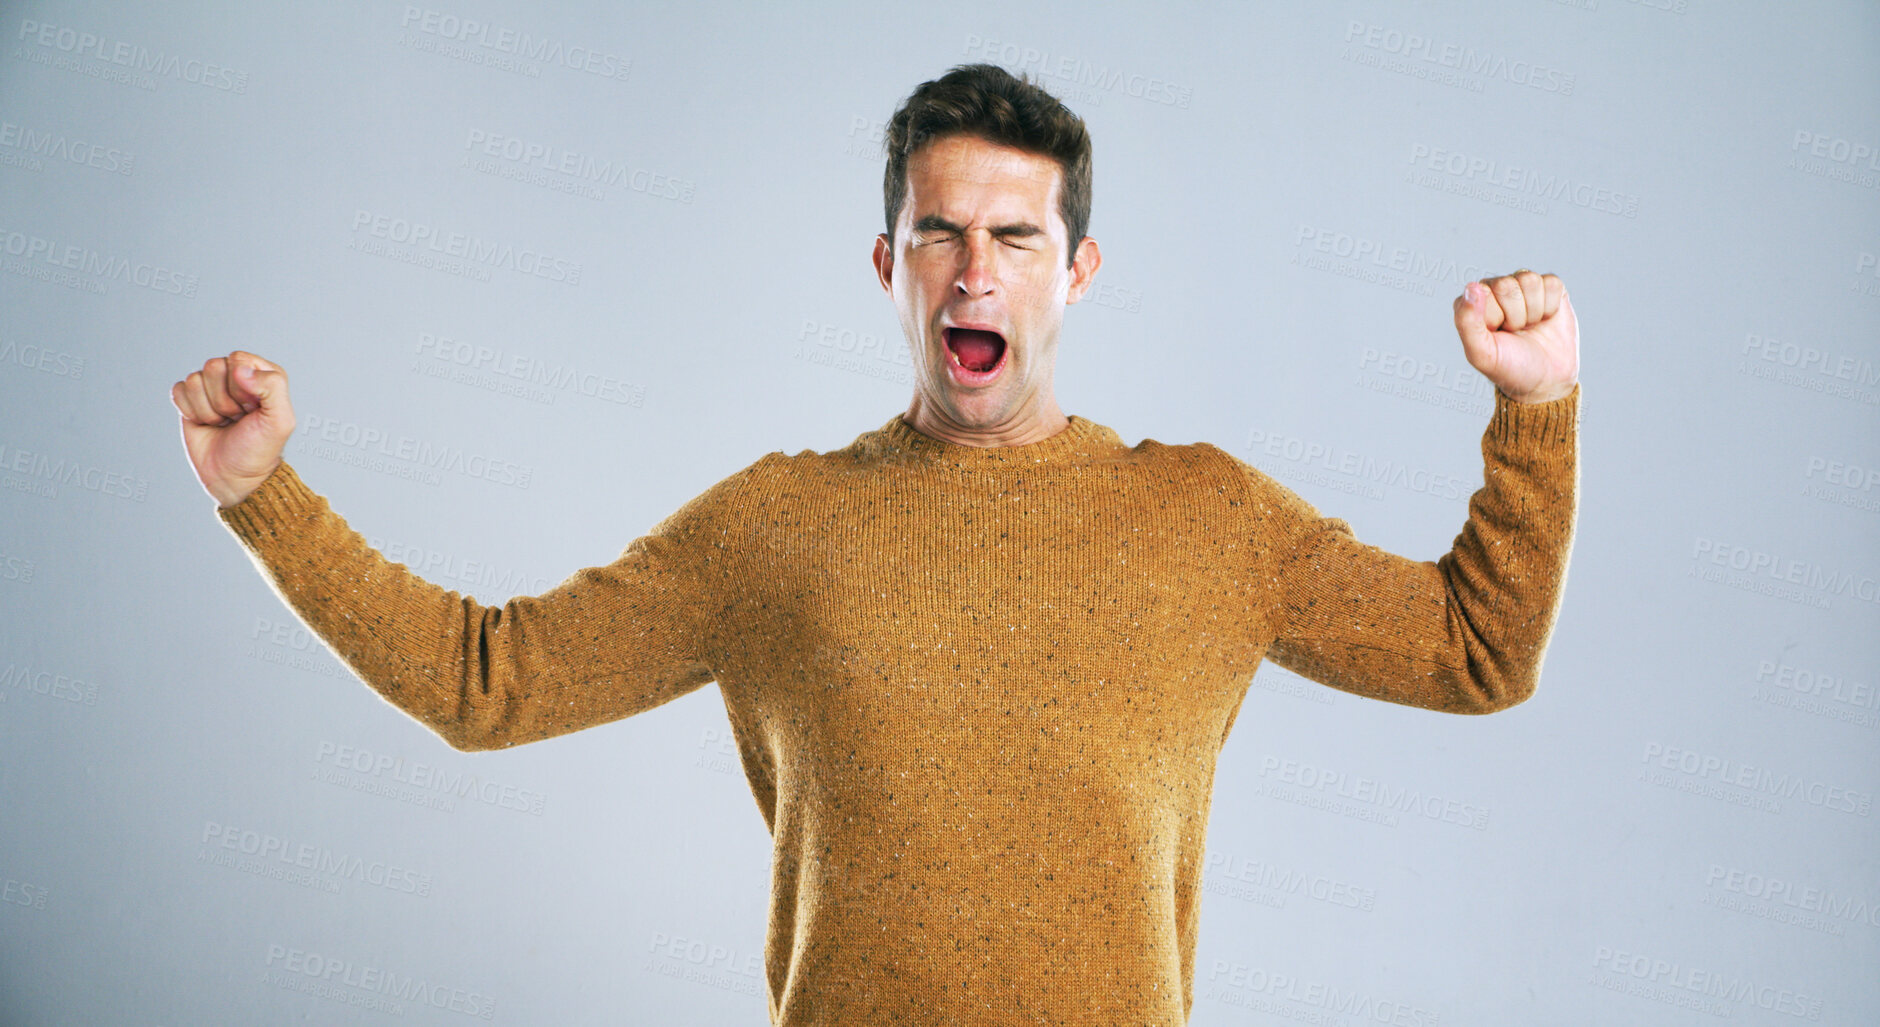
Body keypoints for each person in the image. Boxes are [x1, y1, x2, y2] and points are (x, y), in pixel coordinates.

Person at [170, 63, 1578, 1027]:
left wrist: (1536, 409)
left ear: (1077, 272)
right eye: (939, 234)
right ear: (888, 263)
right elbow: (488, 683)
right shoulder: (776, 527)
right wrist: (265, 498)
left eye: (1017, 238)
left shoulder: (1209, 520)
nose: (976, 271)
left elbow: (1475, 652)